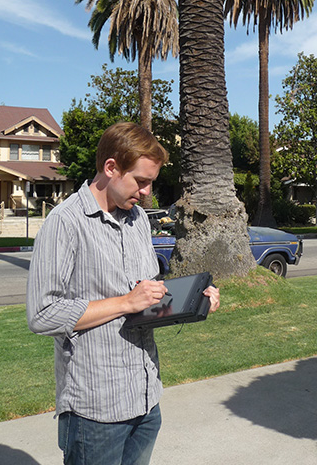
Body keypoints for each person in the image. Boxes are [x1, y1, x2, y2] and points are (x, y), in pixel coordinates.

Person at [27, 122, 220, 465]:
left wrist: (193, 299)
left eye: (150, 183)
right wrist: (126, 302)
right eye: (140, 181)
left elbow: (147, 294)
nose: (146, 192)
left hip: (145, 398)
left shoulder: (138, 220)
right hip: (96, 411)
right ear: (111, 167)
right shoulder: (65, 223)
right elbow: (43, 315)